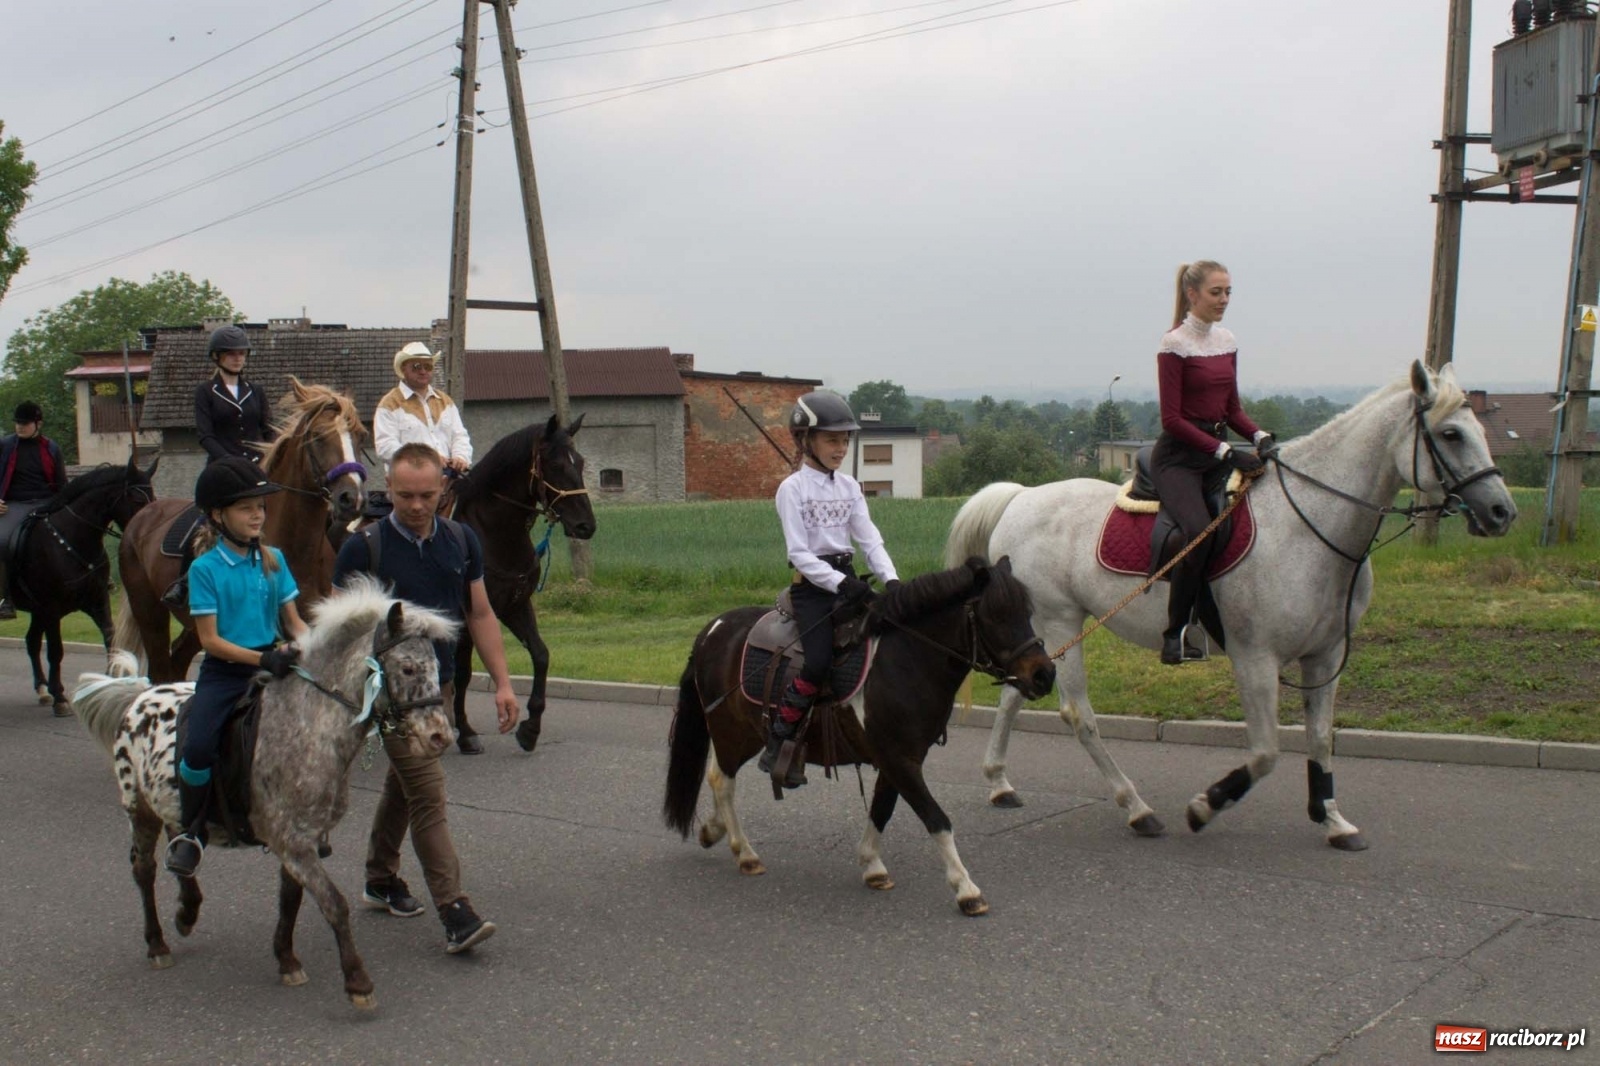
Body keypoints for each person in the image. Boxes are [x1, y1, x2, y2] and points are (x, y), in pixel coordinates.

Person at [332, 442, 517, 955]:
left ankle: (379, 876)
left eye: (428, 495)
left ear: (443, 490)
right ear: (387, 489)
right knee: (429, 792)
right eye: (405, 495)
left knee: (407, 780)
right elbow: (339, 631)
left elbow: (479, 614)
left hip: (442, 686)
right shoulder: (362, 549)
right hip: (390, 696)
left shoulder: (461, 539)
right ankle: (455, 910)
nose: (416, 505)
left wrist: (502, 683)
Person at [165, 457, 307, 878]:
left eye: (260, 507)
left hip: (274, 662)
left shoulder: (274, 559)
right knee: (199, 747)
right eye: (246, 508)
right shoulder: (205, 569)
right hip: (226, 672)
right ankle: (192, 831)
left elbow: (294, 621)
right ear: (217, 514)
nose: (257, 515)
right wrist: (264, 658)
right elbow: (209, 641)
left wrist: (309, 647)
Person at [763, 391, 900, 788]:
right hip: (813, 590)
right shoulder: (792, 489)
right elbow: (799, 554)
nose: (841, 448)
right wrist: (842, 584)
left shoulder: (851, 488)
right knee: (819, 662)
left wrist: (890, 581)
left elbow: (870, 540)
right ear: (806, 440)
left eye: (845, 440)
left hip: (850, 583)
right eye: (832, 440)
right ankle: (779, 739)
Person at [1150, 260, 1276, 666]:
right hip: (1179, 461)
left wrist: (1259, 437)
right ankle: (1176, 633)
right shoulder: (1174, 344)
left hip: (1216, 455)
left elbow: (1232, 409)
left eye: (1228, 292)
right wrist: (1224, 451)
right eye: (1215, 292)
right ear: (1192, 295)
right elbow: (1172, 419)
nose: (1224, 300)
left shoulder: (1227, 340)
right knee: (1200, 531)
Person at [0, 401, 67, 620]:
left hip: (47, 503)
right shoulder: (5, 446)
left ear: (38, 423)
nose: (20, 427)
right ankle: (6, 598)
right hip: (15, 504)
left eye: (25, 423)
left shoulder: (51, 448)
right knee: (3, 540)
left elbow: (61, 483)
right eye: (18, 423)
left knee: (79, 528)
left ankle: (100, 579)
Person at [372, 343, 472, 474]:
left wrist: (460, 457)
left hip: (448, 483)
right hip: (409, 484)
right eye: (416, 366)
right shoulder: (389, 404)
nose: (423, 371)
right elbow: (385, 446)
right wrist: (425, 460)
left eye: (428, 366)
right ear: (403, 369)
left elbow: (460, 436)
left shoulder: (445, 401)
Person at [196, 324, 274, 465]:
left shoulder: (256, 390)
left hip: (258, 463)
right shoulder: (205, 391)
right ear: (216, 356)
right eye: (231, 354)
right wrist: (227, 460)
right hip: (224, 465)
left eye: (241, 353)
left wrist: (270, 454)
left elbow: (268, 429)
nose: (238, 359)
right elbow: (206, 436)